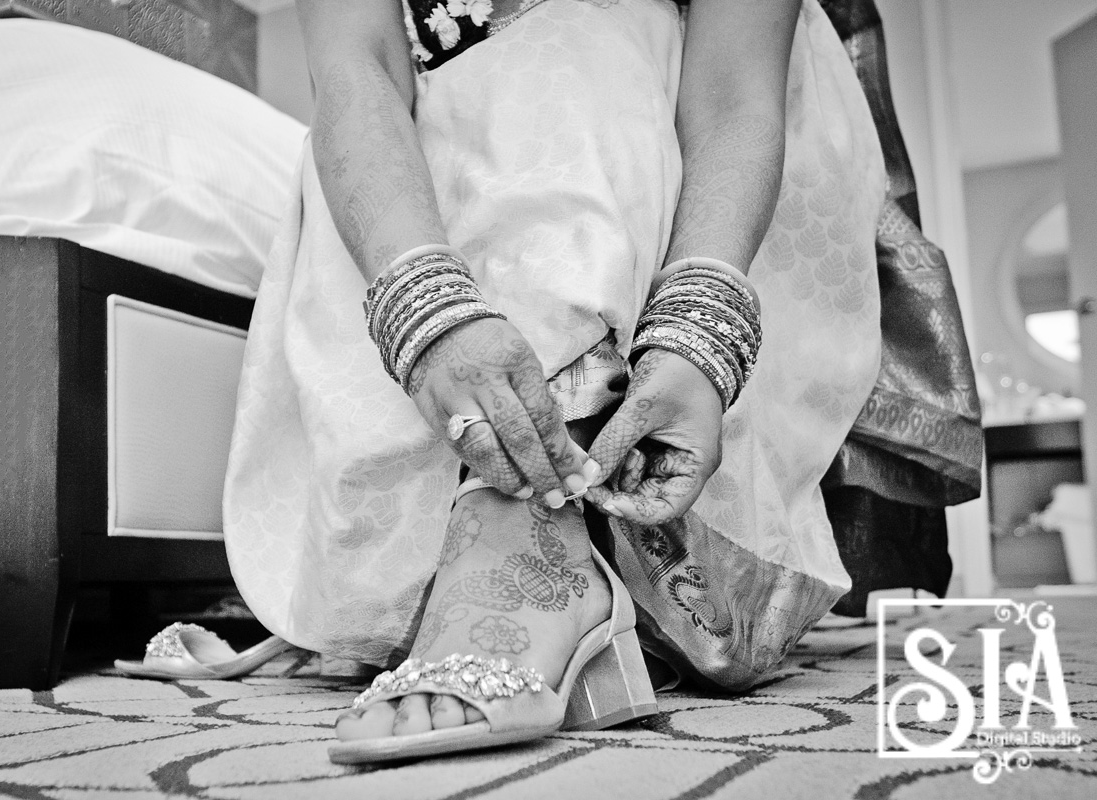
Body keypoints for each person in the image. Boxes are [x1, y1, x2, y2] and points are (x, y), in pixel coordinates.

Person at [222, 0, 973, 764]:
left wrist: (697, 335)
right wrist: (429, 314)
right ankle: (543, 551)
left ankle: (526, 537)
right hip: (417, 191)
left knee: (568, 52)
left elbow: (735, 94)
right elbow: (355, 69)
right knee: (441, 109)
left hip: (680, 161)